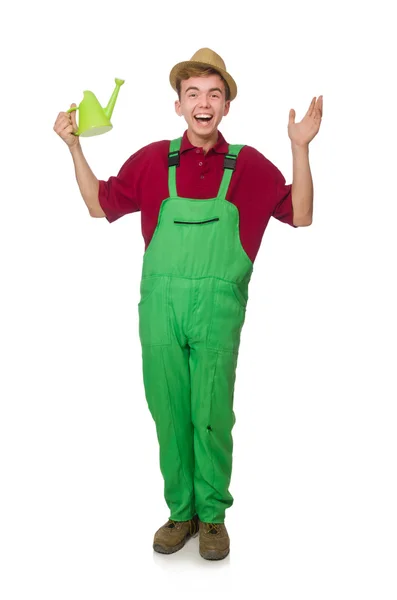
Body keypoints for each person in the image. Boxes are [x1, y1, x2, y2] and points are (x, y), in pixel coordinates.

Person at [53, 47, 323, 561]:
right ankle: (181, 514)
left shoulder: (248, 165)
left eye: (214, 94)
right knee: (169, 412)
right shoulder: (154, 159)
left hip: (218, 313)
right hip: (160, 310)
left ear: (226, 107)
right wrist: (74, 150)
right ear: (178, 105)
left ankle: (214, 517)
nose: (203, 103)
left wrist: (300, 148)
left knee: (211, 414)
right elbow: (98, 204)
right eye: (193, 93)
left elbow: (303, 214)